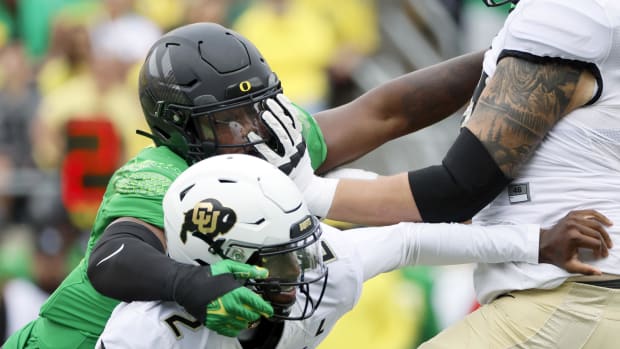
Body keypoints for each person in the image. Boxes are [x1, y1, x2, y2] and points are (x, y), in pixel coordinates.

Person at [2, 22, 488, 349]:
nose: (253, 130)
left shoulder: (259, 140)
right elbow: (114, 258)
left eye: (256, 107)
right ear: (179, 128)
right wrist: (195, 286)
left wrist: (503, 59)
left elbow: (386, 112)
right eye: (229, 120)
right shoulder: (158, 173)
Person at [253, 0, 620, 347]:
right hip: (582, 298)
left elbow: (460, 188)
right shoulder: (574, 23)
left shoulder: (565, 16)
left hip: (568, 301)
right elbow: (394, 117)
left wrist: (308, 193)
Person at [95, 153, 611, 349]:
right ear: (216, 257)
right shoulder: (148, 334)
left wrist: (535, 243)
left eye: (298, 249)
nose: (299, 270)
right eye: (278, 258)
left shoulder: (326, 272)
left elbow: (409, 239)